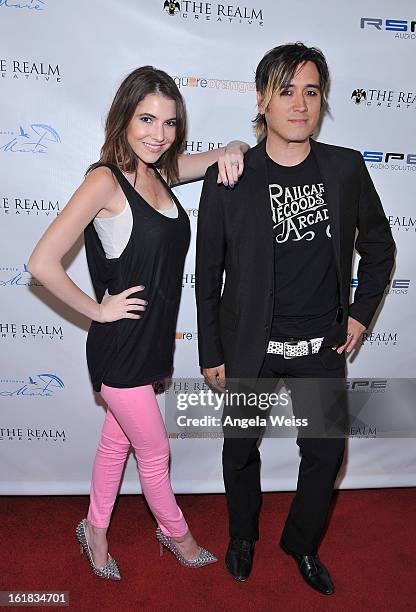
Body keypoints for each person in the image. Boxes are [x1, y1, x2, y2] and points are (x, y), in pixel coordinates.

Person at [28, 65, 249, 580]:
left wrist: (236, 144)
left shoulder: (159, 173)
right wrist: (98, 309)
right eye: (147, 119)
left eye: (170, 124)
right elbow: (41, 261)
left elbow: (221, 155)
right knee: (154, 450)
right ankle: (177, 534)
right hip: (120, 344)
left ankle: (95, 527)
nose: (158, 134)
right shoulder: (104, 180)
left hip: (151, 343)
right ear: (124, 118)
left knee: (117, 441)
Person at [195, 43, 395, 594]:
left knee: (327, 455)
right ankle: (242, 536)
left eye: (311, 91)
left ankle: (302, 545)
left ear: (322, 99)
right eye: (286, 91)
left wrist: (359, 315)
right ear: (262, 100)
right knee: (239, 450)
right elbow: (207, 272)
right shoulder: (229, 175)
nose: (300, 104)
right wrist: (210, 351)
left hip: (322, 348)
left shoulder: (346, 168)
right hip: (249, 347)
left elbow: (379, 246)